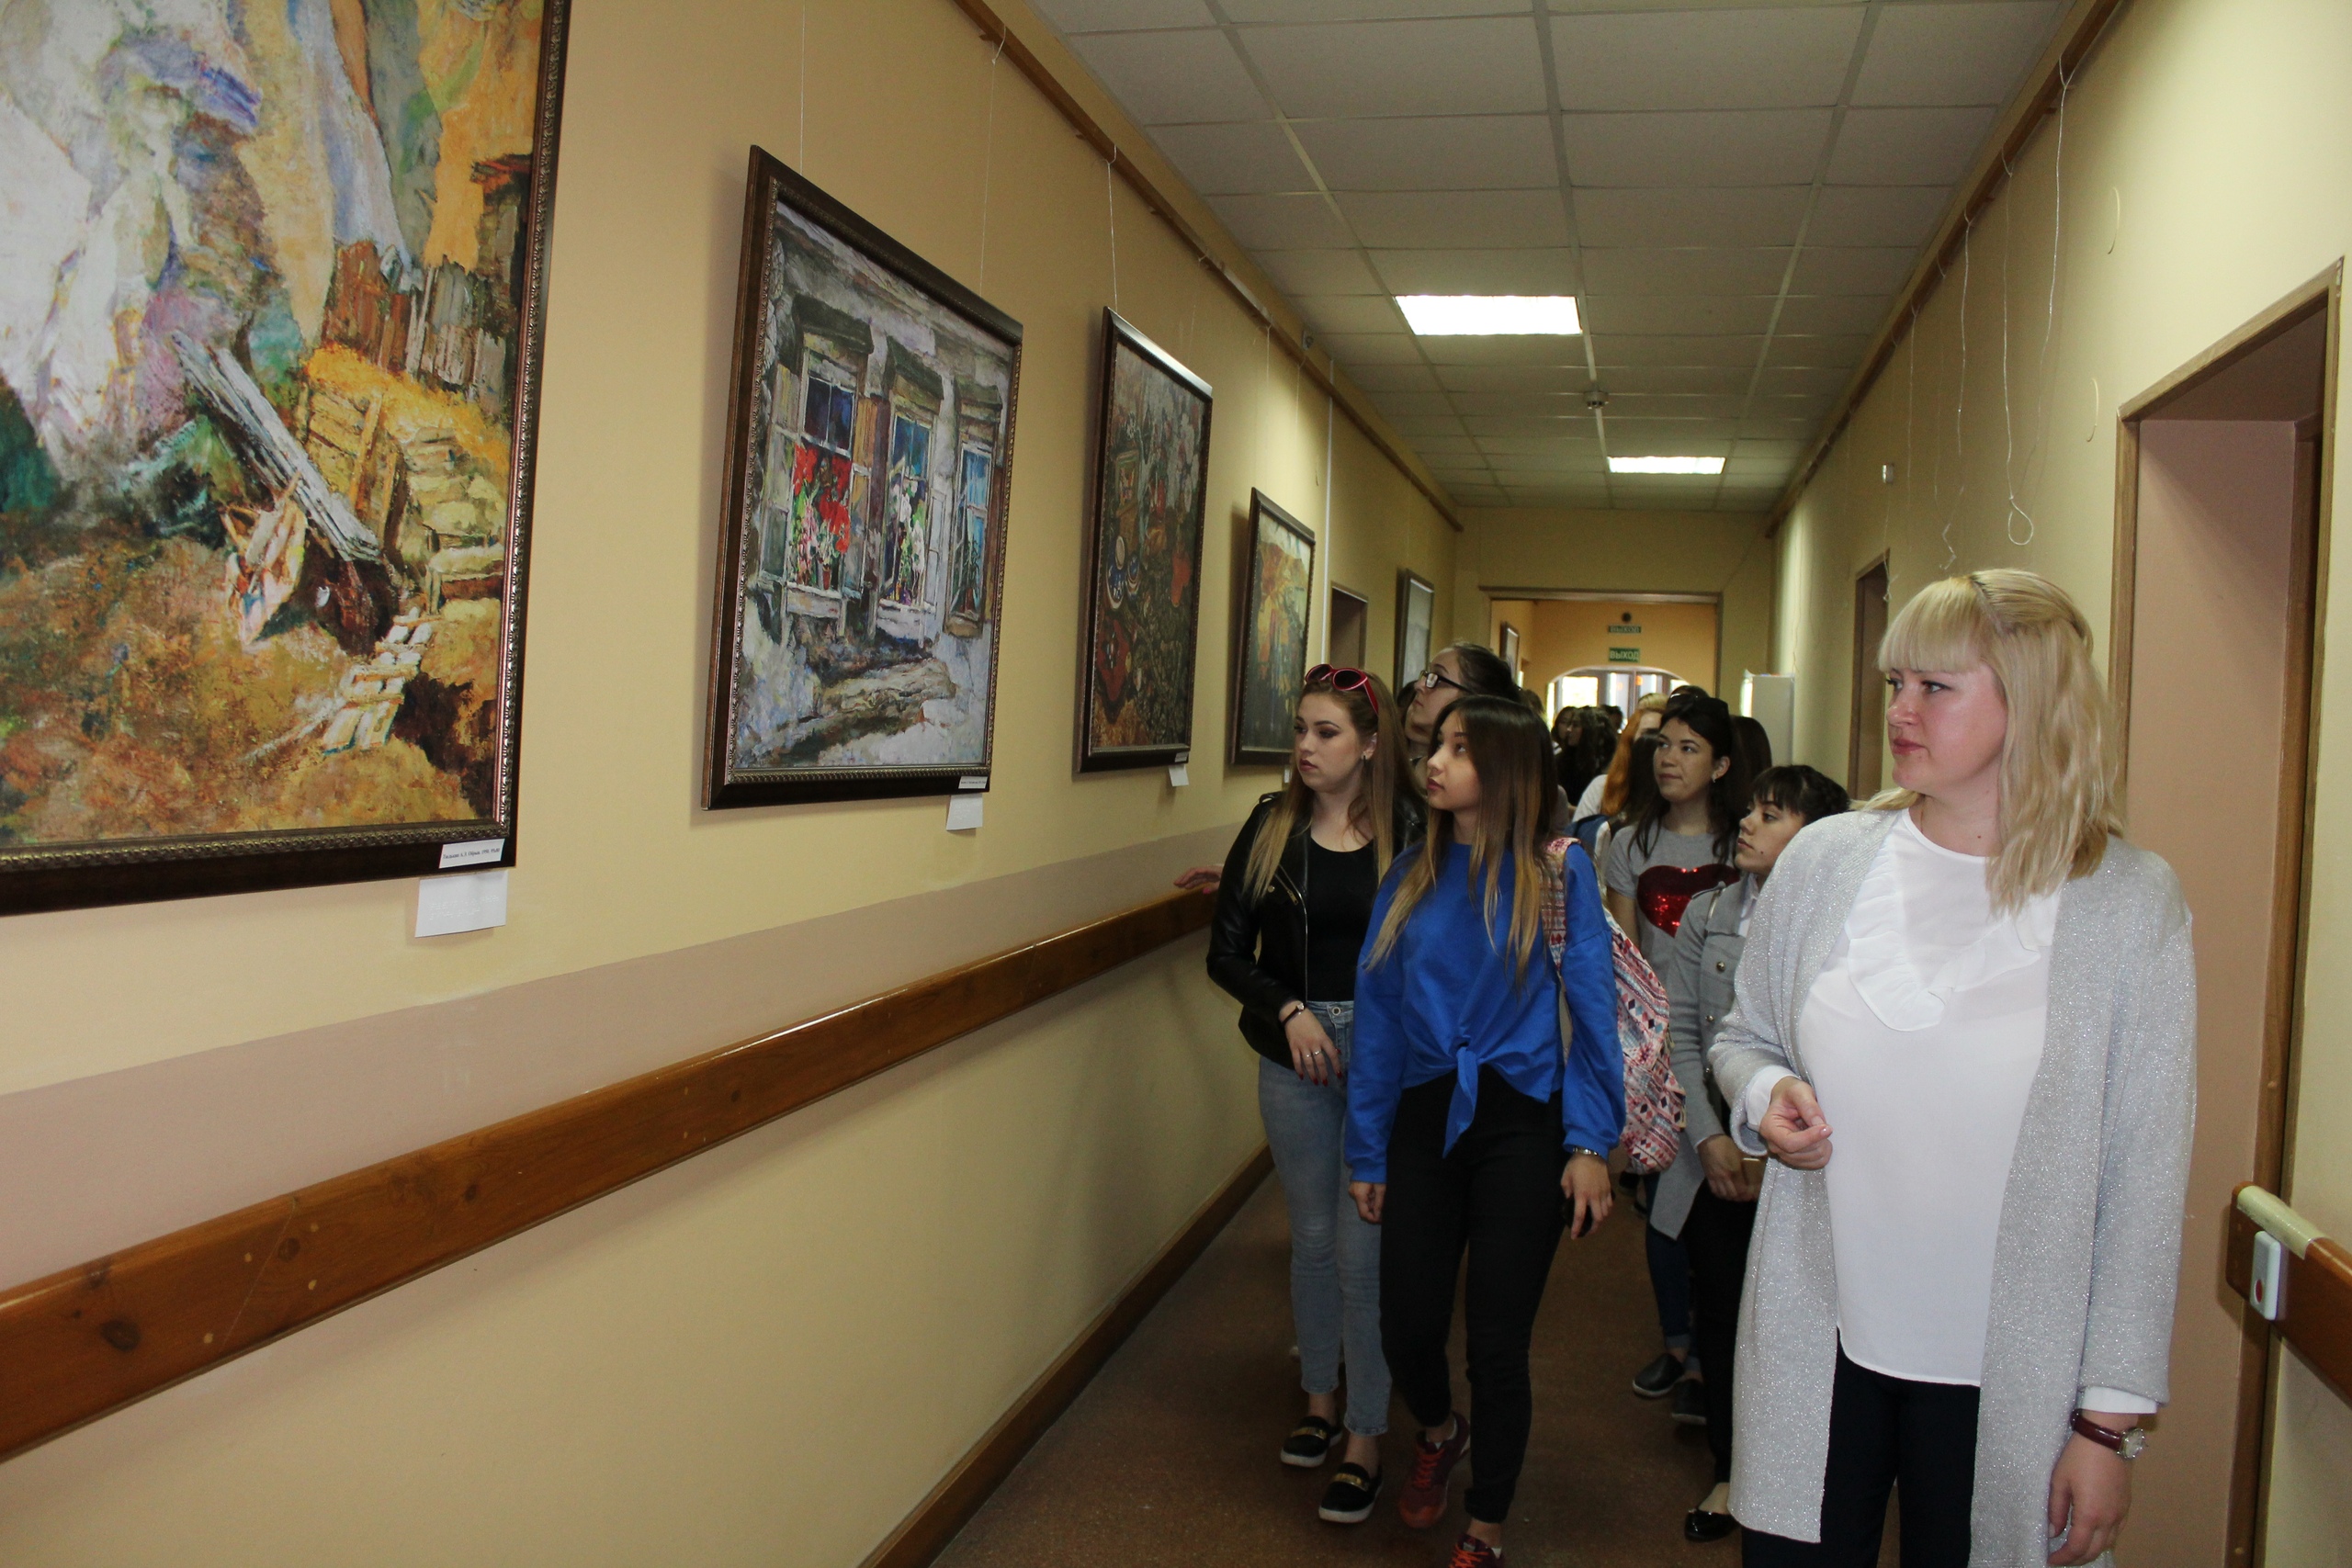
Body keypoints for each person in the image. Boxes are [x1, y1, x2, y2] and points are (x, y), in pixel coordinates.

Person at [1711, 571, 2195, 1567]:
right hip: (1821, 1335)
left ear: (2033, 700)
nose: (1899, 710)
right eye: (1895, 683)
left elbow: (2144, 1181)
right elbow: (1742, 1034)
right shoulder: (1828, 860)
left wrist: (2107, 1424)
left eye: (1935, 687)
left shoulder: (2127, 903)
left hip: (2012, 1371)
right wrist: (1765, 1094)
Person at [1349, 695, 1623, 1568]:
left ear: (1505, 771)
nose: (1434, 761)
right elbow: (1379, 1023)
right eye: (1437, 744)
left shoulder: (1558, 874)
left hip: (1523, 1120)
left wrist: (1589, 1143)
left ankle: (1487, 1523)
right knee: (1406, 1324)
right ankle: (1438, 1430)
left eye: (1460, 749)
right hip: (1426, 1114)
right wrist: (1367, 1148)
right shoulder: (1410, 873)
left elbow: (1594, 1014)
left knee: (1499, 1342)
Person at [1204, 665, 1419, 1525]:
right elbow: (1226, 953)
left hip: (1384, 1059)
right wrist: (1287, 1008)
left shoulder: (1412, 830)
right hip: (1293, 1057)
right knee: (1315, 1241)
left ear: (1369, 744)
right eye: (1300, 728)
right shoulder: (1270, 826)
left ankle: (1367, 1433)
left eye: (1326, 732)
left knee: (1365, 1253)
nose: (1305, 745)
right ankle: (1319, 1401)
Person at [1667, 765, 1849, 1543]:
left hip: (1813, 1167)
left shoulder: (1849, 923)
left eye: (1771, 815)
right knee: (1722, 1316)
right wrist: (1712, 1138)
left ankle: (1816, 1477)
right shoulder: (1708, 913)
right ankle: (1731, 1467)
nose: (1746, 823)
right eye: (1750, 810)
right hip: (1720, 1155)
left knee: (1808, 1328)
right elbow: (1684, 1034)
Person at [1605, 693, 1750, 1418]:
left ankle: (1710, 1355)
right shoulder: (1628, 843)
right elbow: (1624, 960)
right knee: (1665, 1200)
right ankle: (1677, 1342)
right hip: (1661, 1047)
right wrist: (1638, 1056)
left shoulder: (1742, 845)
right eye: (1663, 744)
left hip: (1739, 1045)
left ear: (1720, 765)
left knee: (1718, 1201)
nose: (1668, 758)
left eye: (1689, 747)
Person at [1574, 692, 1668, 822]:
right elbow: (1580, 833)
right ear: (1630, 739)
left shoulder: (1678, 793)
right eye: (1649, 734)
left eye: (1663, 737)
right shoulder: (1602, 788)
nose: (1655, 741)